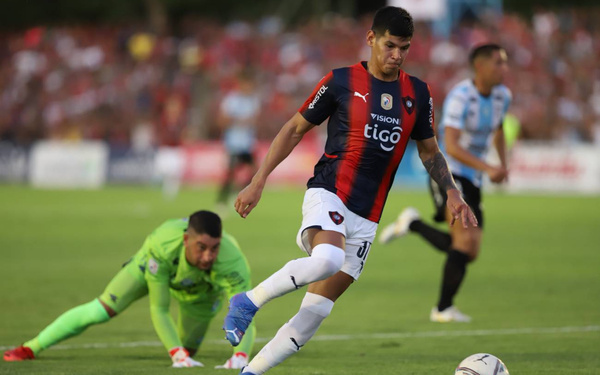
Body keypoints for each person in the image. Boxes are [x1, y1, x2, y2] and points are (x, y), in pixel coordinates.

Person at [221, 7, 478, 375]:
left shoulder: (418, 94)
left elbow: (429, 150)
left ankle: (250, 372)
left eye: (404, 48)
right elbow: (295, 128)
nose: (397, 55)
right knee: (327, 260)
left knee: (314, 314)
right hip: (330, 192)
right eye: (390, 45)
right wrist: (259, 179)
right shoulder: (340, 81)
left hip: (368, 216)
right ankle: (247, 302)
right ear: (371, 39)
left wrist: (451, 191)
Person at [3, 210, 255, 369]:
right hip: (149, 269)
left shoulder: (233, 262)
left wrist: (241, 355)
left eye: (215, 248)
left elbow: (244, 313)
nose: (209, 256)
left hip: (201, 294)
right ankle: (30, 347)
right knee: (101, 310)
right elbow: (159, 308)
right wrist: (175, 353)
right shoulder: (162, 244)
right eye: (202, 247)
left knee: (190, 354)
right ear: (186, 239)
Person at [379, 44, 511, 323]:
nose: (504, 69)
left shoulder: (502, 96)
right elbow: (449, 145)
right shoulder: (461, 97)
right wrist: (490, 167)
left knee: (469, 250)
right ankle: (442, 309)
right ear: (480, 66)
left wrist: (503, 163)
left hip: (473, 176)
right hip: (449, 174)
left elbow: (499, 129)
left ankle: (413, 223)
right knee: (464, 244)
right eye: (499, 63)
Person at [216, 69, 261, 209]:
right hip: (234, 143)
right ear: (241, 84)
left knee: (255, 171)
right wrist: (239, 120)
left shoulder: (253, 100)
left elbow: (255, 120)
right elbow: (222, 120)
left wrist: (242, 120)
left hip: (248, 143)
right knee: (230, 173)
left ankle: (239, 193)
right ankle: (221, 201)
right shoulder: (232, 99)